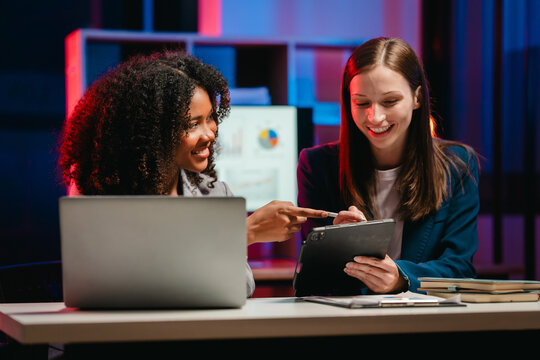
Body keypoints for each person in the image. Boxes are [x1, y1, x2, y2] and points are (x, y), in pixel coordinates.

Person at [58, 51, 328, 297]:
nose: (210, 132)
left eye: (211, 117)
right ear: (151, 134)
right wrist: (241, 233)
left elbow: (241, 286)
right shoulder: (98, 198)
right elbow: (127, 286)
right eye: (193, 124)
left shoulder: (215, 193)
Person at [297, 37, 479, 294]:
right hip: (346, 322)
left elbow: (460, 269)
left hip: (425, 324)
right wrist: (332, 246)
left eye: (390, 101)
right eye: (361, 103)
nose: (375, 117)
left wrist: (402, 278)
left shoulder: (457, 166)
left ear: (417, 98)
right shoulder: (316, 167)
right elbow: (314, 277)